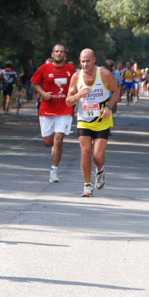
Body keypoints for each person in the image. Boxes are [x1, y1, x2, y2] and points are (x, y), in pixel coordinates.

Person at [66, 49, 120, 197]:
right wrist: (78, 95)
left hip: (102, 119)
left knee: (97, 156)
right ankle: (87, 186)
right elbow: (68, 100)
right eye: (82, 61)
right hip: (84, 119)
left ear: (94, 60)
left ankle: (99, 169)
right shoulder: (76, 77)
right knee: (85, 153)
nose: (84, 64)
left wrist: (109, 107)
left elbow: (116, 91)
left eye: (87, 61)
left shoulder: (104, 74)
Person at [31, 45, 77, 183]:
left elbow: (77, 84)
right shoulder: (44, 68)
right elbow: (34, 83)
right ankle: (54, 149)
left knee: (58, 140)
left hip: (65, 109)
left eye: (61, 51)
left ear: (65, 54)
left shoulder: (70, 69)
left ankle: (54, 170)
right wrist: (43, 93)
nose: (59, 53)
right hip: (47, 109)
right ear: (52, 54)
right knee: (47, 142)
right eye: (56, 51)